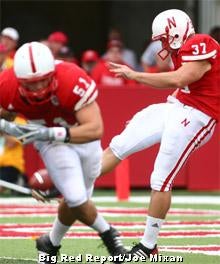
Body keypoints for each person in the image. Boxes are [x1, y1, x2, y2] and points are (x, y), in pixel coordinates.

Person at [101, 9, 220, 258]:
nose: (163, 45)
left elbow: (181, 78)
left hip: (198, 116)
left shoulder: (201, 43)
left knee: (160, 177)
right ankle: (76, 184)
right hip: (177, 107)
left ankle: (148, 245)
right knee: (120, 144)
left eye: (164, 38)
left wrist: (134, 74)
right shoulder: (183, 48)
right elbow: (183, 85)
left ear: (176, 32)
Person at [0, 42, 126, 263]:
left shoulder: (72, 78)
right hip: (51, 145)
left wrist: (50, 133)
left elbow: (95, 129)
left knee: (78, 199)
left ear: (53, 73)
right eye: (30, 83)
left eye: (43, 79)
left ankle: (50, 242)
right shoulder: (6, 85)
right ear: (19, 80)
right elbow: (5, 113)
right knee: (76, 197)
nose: (38, 87)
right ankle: (110, 235)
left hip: (80, 138)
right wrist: (7, 125)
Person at [0, 116, 26, 193]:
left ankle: (18, 181)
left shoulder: (20, 122)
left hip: (11, 164)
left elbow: (11, 143)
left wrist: (3, 127)